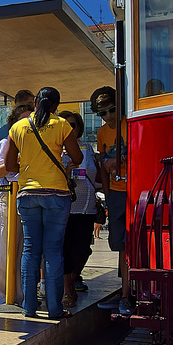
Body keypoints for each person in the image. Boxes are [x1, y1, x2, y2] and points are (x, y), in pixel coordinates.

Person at [6, 87, 82, 319]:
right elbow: (77, 158)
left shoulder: (18, 127)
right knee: (52, 252)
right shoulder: (61, 124)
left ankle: (29, 308)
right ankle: (55, 309)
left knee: (30, 251)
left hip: (27, 194)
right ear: (56, 105)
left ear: (36, 102)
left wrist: (29, 165)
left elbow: (9, 166)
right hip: (56, 195)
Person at [91, 86, 130, 305]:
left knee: (132, 242)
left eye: (111, 110)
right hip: (116, 193)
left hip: (134, 190)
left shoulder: (130, 124)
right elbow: (102, 164)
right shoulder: (101, 133)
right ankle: (124, 292)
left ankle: (127, 292)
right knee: (119, 244)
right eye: (102, 114)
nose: (108, 116)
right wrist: (107, 194)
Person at [59, 110, 100, 307]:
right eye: (65, 125)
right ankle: (67, 289)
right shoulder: (57, 149)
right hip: (66, 206)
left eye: (73, 125)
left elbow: (97, 176)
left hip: (87, 207)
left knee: (83, 249)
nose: (69, 128)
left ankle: (73, 277)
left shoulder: (88, 149)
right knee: (66, 249)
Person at [0, 106, 28, 304]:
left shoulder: (32, 144)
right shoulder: (5, 143)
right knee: (6, 248)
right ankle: (4, 296)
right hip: (7, 198)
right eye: (23, 120)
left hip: (25, 198)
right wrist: (17, 161)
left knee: (22, 249)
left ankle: (20, 294)